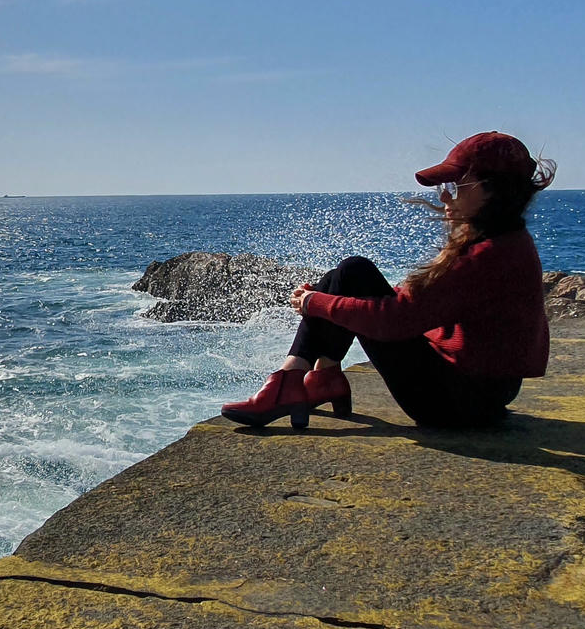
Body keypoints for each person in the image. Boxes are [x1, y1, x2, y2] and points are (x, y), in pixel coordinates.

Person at [221, 131, 556, 429]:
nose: (444, 197)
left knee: (353, 274)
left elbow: (395, 321)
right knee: (348, 275)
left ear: (494, 191)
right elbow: (420, 303)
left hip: (457, 403)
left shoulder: (489, 255)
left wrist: (316, 303)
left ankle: (294, 380)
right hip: (477, 395)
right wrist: (326, 298)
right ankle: (321, 376)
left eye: (456, 186)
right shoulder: (503, 241)